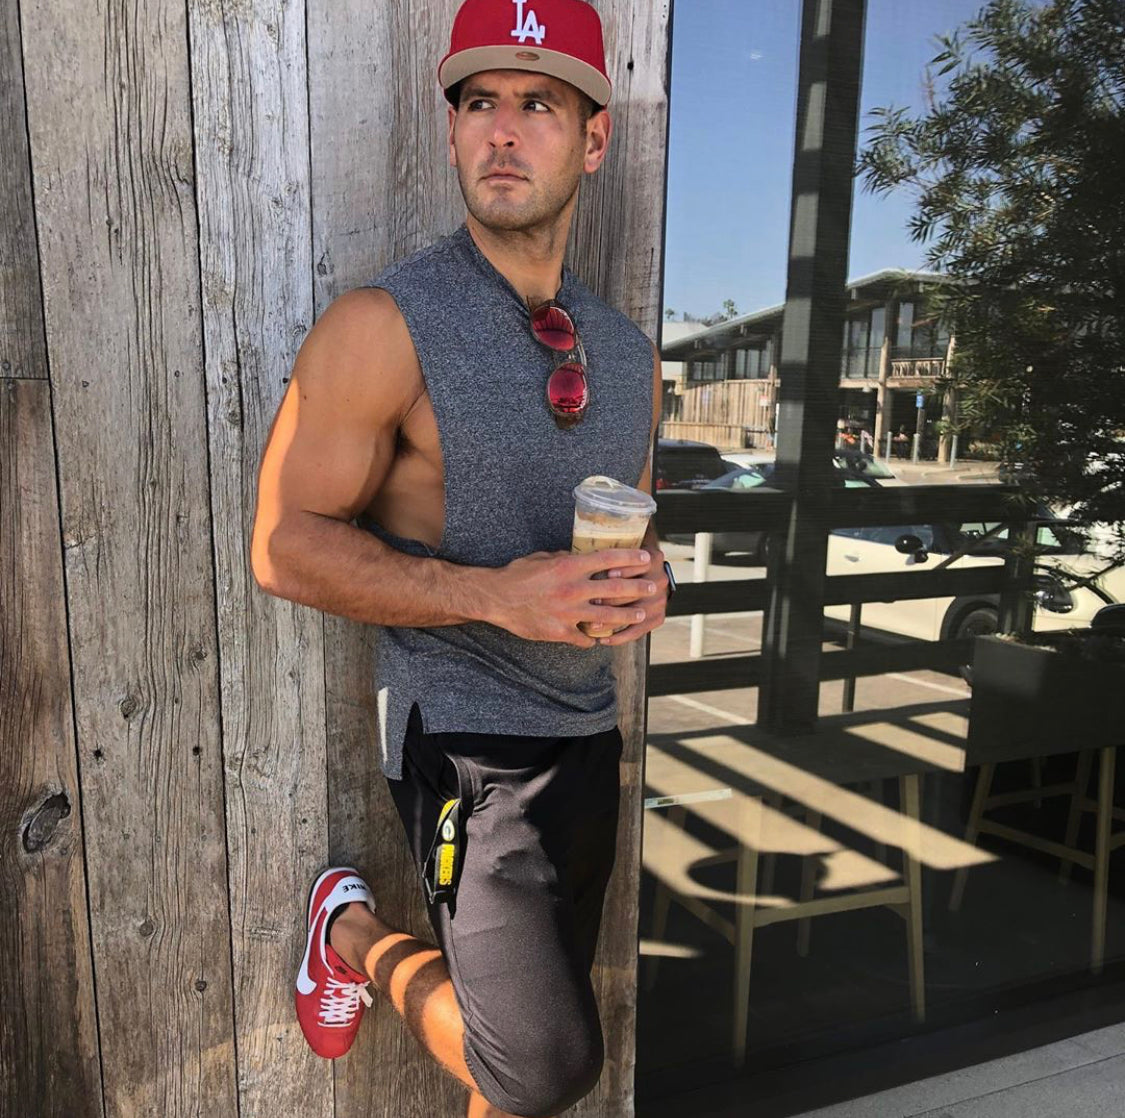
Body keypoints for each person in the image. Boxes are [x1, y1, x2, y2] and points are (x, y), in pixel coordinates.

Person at [249, 1, 669, 1115]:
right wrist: (495, 597)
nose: (502, 130)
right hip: (461, 735)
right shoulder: (383, 325)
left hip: (587, 730)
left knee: (509, 1047)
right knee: (540, 1063)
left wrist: (650, 582)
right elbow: (282, 547)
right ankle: (347, 932)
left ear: (593, 139)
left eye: (539, 103)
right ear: (451, 132)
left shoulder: (629, 357)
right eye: (479, 102)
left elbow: (634, 529)